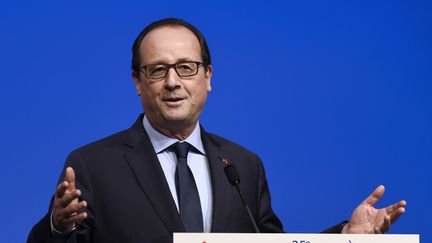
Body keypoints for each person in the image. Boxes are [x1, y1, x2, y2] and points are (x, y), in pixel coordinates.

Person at [27, 18, 406, 243]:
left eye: (186, 68)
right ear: (137, 82)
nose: (172, 82)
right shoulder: (93, 164)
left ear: (208, 77)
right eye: (157, 70)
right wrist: (58, 228)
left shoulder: (242, 165)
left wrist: (345, 236)